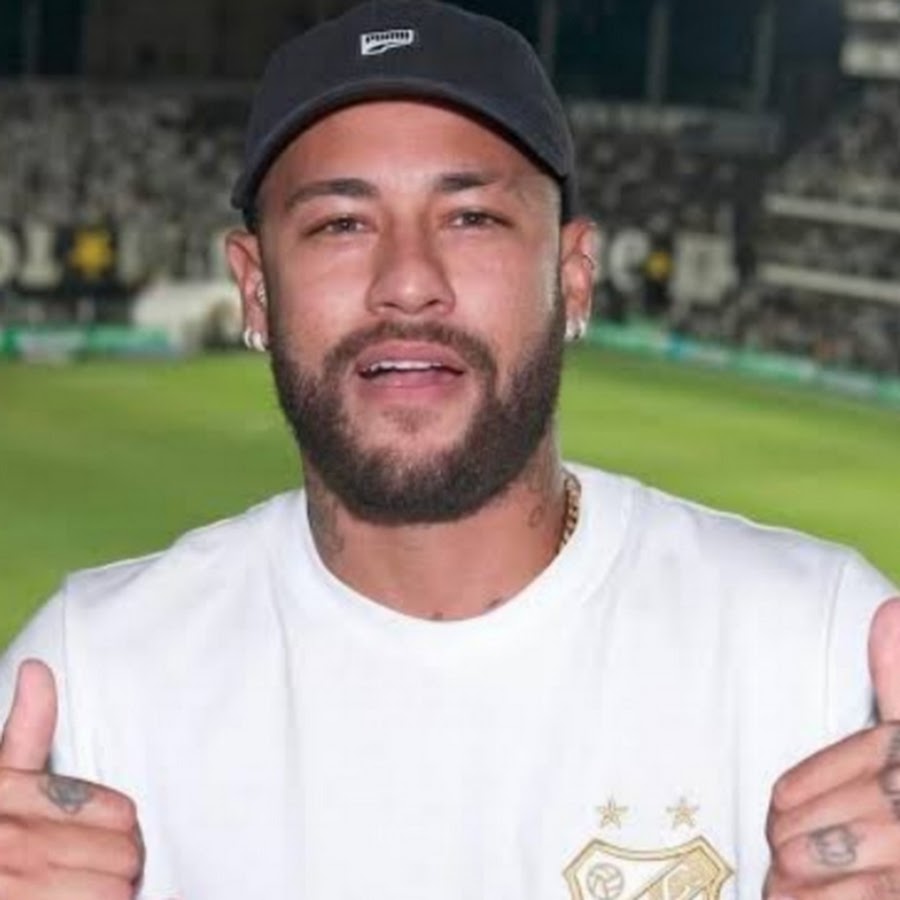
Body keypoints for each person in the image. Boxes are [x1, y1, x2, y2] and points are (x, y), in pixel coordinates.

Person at [0, 2, 897, 898]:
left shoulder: (821, 653)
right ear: (255, 289)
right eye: (341, 224)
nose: (408, 283)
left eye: (471, 218)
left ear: (574, 275)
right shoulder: (89, 682)